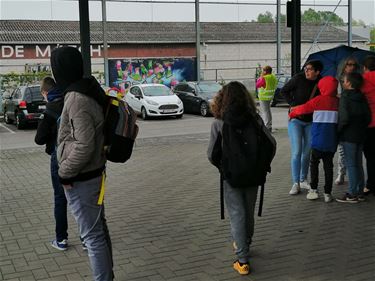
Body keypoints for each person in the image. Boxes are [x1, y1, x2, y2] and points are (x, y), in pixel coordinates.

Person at [51, 46, 114, 281]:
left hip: (83, 178)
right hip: (93, 174)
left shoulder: (77, 98)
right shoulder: (87, 88)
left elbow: (84, 144)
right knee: (99, 230)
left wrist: (64, 173)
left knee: (92, 237)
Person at [207, 81, 259, 276]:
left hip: (231, 177)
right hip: (254, 175)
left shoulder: (219, 123)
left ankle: (242, 260)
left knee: (237, 214)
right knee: (248, 211)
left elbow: (212, 154)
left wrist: (223, 167)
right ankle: (246, 244)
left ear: (222, 99)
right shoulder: (255, 120)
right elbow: (270, 144)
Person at [289, 76, 339, 203]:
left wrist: (292, 113)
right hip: (331, 142)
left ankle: (314, 190)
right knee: (329, 167)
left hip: (317, 141)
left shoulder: (318, 100)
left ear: (322, 87)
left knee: (314, 164)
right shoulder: (337, 102)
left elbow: (303, 108)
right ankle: (328, 193)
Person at [35, 77, 69, 250]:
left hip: (58, 157)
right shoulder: (70, 102)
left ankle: (61, 239)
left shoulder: (49, 109)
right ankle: (87, 240)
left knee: (60, 197)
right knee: (79, 198)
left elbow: (39, 139)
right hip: (77, 155)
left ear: (45, 92)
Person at [281, 60, 323, 195]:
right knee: (297, 151)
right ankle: (295, 182)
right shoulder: (298, 79)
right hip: (296, 120)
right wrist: (292, 103)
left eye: (310, 69)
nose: (306, 71)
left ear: (317, 72)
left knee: (307, 152)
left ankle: (303, 179)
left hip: (311, 121)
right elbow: (284, 91)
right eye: (306, 68)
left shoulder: (321, 82)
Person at [336, 72, 371, 203]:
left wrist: (338, 131)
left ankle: (352, 193)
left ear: (349, 83)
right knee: (358, 164)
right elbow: (368, 117)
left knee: (351, 165)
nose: (343, 82)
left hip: (348, 135)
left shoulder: (345, 97)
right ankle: (360, 192)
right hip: (361, 134)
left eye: (344, 81)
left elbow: (344, 118)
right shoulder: (362, 97)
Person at [335, 57, 360, 185]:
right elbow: (337, 96)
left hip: (354, 116)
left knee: (355, 151)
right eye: (349, 64)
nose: (352, 67)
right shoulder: (339, 81)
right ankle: (341, 172)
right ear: (344, 66)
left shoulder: (358, 81)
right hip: (342, 114)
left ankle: (353, 177)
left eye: (354, 65)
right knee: (341, 148)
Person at [361, 55, 375, 196]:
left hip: (369, 124)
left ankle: (371, 185)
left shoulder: (362, 81)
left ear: (365, 68)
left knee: (370, 156)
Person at [256, 65, 277, 131]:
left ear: (265, 71)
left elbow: (257, 85)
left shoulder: (264, 78)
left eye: (263, 70)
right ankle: (269, 125)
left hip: (263, 97)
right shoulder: (273, 77)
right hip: (270, 96)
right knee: (268, 111)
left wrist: (261, 76)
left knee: (265, 112)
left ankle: (267, 126)